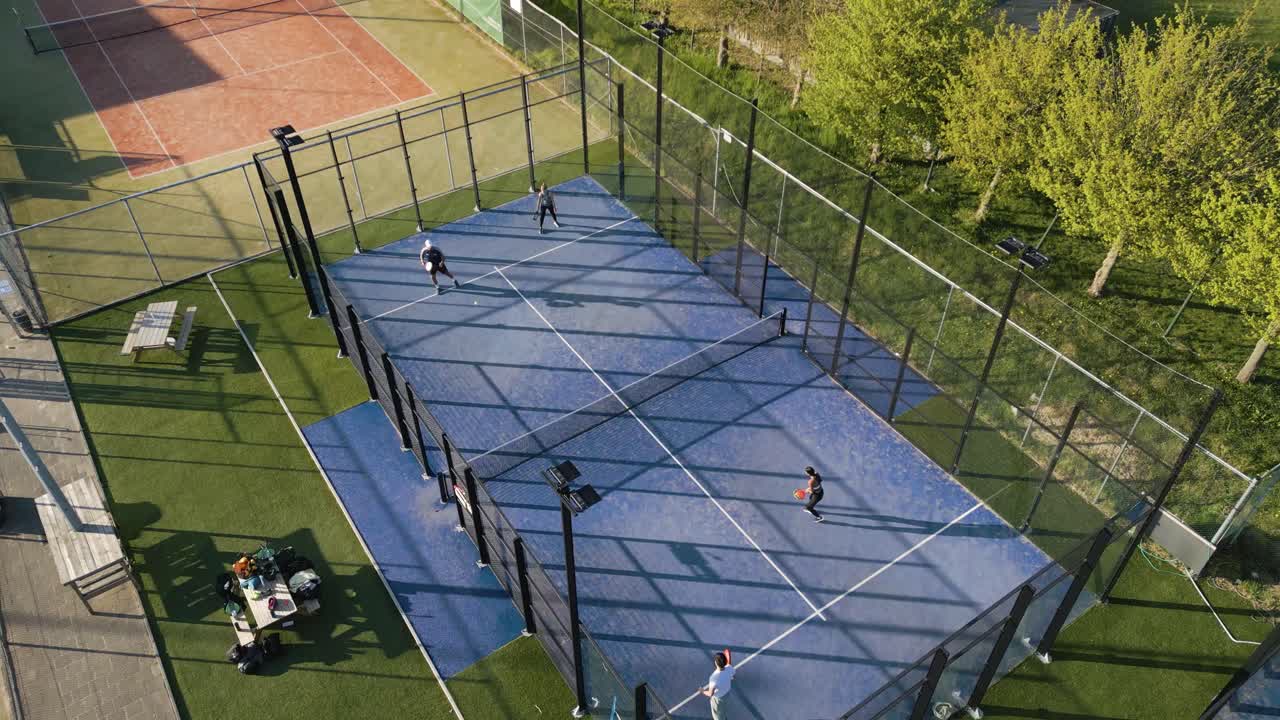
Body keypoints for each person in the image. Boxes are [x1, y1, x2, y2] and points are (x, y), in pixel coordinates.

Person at [699, 650, 735, 720]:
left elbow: (710, 694)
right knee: (723, 710)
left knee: (718, 716)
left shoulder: (714, 677)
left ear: (716, 663)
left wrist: (702, 691)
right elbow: (733, 676)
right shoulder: (730, 668)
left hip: (718, 700)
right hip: (727, 694)